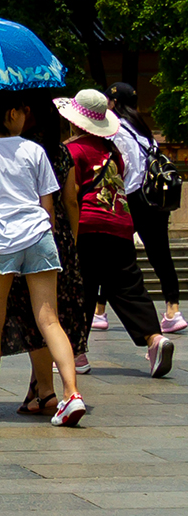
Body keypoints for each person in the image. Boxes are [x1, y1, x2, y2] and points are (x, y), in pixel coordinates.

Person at [0, 92, 86, 426]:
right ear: (12, 114)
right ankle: (71, 394)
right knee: (49, 320)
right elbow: (49, 204)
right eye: (22, 111)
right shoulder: (35, 150)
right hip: (39, 235)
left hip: (0, 242)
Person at [56, 86, 175, 380]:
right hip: (120, 225)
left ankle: (75, 351)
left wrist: (70, 235)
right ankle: (154, 339)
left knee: (79, 288)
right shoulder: (113, 152)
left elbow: (71, 197)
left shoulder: (71, 151)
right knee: (128, 286)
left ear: (74, 121)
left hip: (87, 226)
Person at [109, 81, 186, 336]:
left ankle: (99, 312)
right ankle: (173, 309)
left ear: (115, 103)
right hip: (155, 199)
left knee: (115, 254)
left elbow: (124, 167)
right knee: (161, 254)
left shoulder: (118, 130)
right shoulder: (144, 130)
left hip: (133, 198)